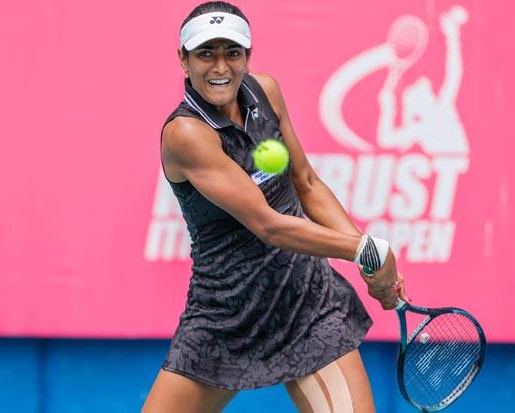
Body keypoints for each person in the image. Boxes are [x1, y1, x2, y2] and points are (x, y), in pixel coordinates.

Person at [143, 2, 409, 412]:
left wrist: (370, 267)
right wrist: (368, 250)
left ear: (247, 56)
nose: (220, 67)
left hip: (304, 301)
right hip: (226, 316)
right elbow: (269, 225)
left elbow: (306, 183)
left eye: (232, 53)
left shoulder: (265, 92)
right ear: (183, 60)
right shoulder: (186, 134)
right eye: (205, 53)